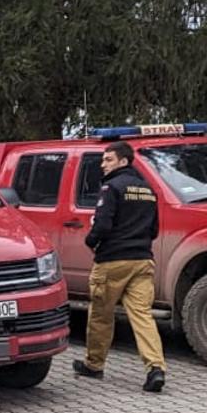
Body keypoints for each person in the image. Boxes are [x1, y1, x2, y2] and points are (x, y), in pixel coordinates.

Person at [73, 141, 167, 393]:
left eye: (108, 160)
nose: (103, 165)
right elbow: (154, 229)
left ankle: (94, 364)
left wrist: (90, 241)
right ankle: (155, 368)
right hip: (142, 261)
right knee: (142, 316)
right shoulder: (148, 189)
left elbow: (102, 225)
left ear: (123, 161)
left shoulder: (111, 187)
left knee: (101, 315)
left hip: (112, 261)